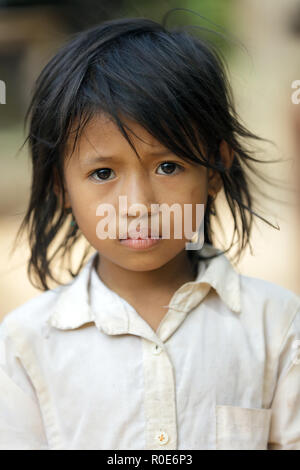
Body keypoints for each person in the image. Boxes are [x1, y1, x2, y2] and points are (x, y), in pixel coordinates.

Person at [1, 15, 300, 451]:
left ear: (216, 168)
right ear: (60, 186)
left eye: (168, 166)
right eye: (103, 172)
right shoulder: (24, 345)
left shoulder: (277, 325)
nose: (138, 205)